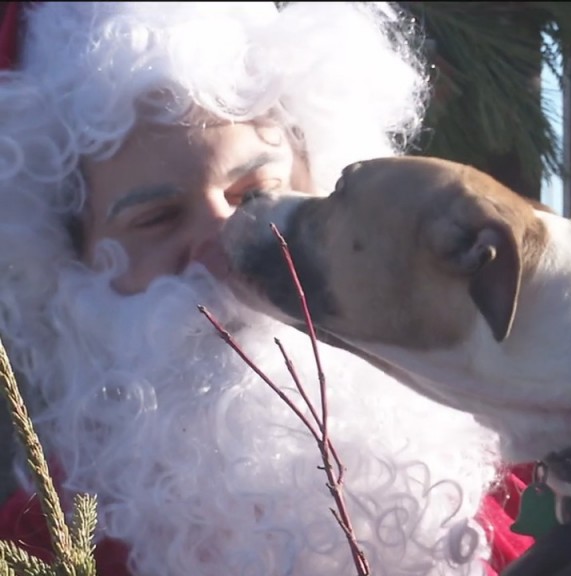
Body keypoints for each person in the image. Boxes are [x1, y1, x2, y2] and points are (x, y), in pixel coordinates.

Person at [0, 2, 532, 575]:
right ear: (70, 261)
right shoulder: (37, 551)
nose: (224, 245)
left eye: (256, 191)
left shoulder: (528, 445)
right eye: (157, 218)